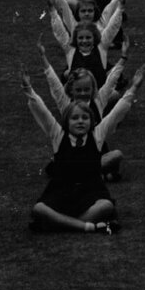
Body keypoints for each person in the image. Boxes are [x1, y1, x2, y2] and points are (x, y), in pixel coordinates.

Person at [27, 92, 131, 234]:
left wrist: (134, 88)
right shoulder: (58, 136)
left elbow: (116, 113)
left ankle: (59, 224)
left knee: (106, 206)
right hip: (61, 190)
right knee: (39, 208)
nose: (80, 121)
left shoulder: (96, 136)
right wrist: (28, 89)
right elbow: (42, 112)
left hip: (91, 189)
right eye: (74, 118)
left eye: (85, 118)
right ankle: (87, 226)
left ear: (92, 121)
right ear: (66, 122)